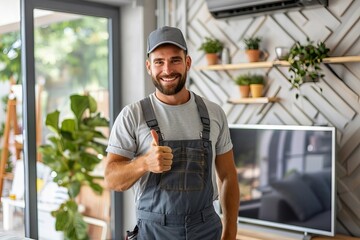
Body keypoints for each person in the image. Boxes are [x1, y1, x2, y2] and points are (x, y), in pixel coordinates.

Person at [105, 26, 239, 240]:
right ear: (149, 67)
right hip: (154, 232)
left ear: (187, 62)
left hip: (206, 230)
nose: (167, 69)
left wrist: (230, 233)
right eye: (159, 61)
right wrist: (144, 163)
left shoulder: (214, 113)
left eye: (175, 60)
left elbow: (228, 176)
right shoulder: (132, 115)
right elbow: (111, 180)